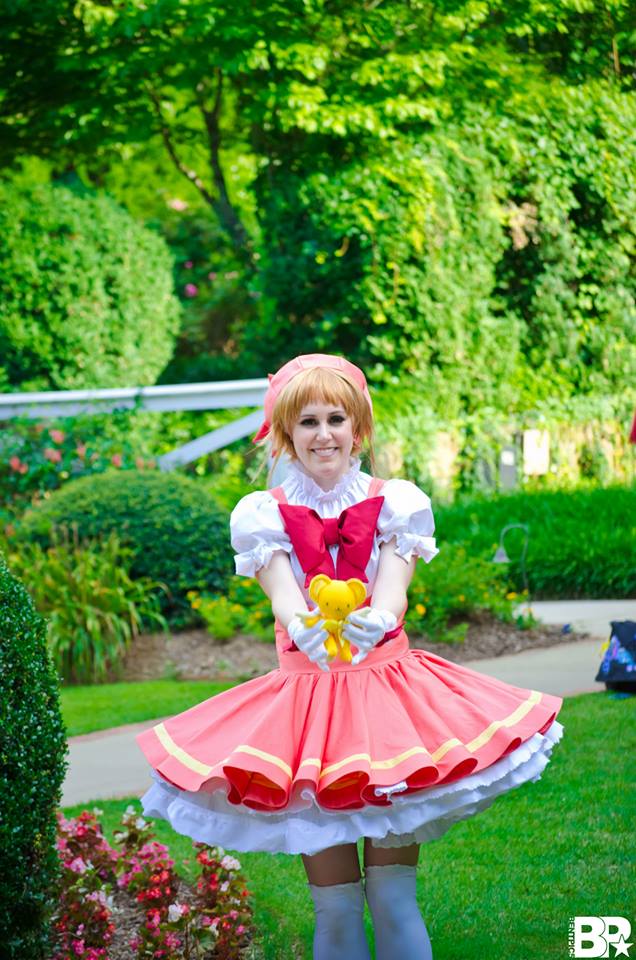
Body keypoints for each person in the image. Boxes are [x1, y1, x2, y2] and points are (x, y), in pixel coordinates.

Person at [136, 353, 564, 959]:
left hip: (388, 706)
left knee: (392, 895)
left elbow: (394, 586)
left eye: (336, 419)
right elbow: (282, 594)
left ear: (357, 428)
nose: (323, 434)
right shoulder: (262, 513)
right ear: (286, 433)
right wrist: (301, 625)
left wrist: (380, 618)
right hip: (309, 716)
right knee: (335, 906)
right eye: (307, 421)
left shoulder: (397, 501)